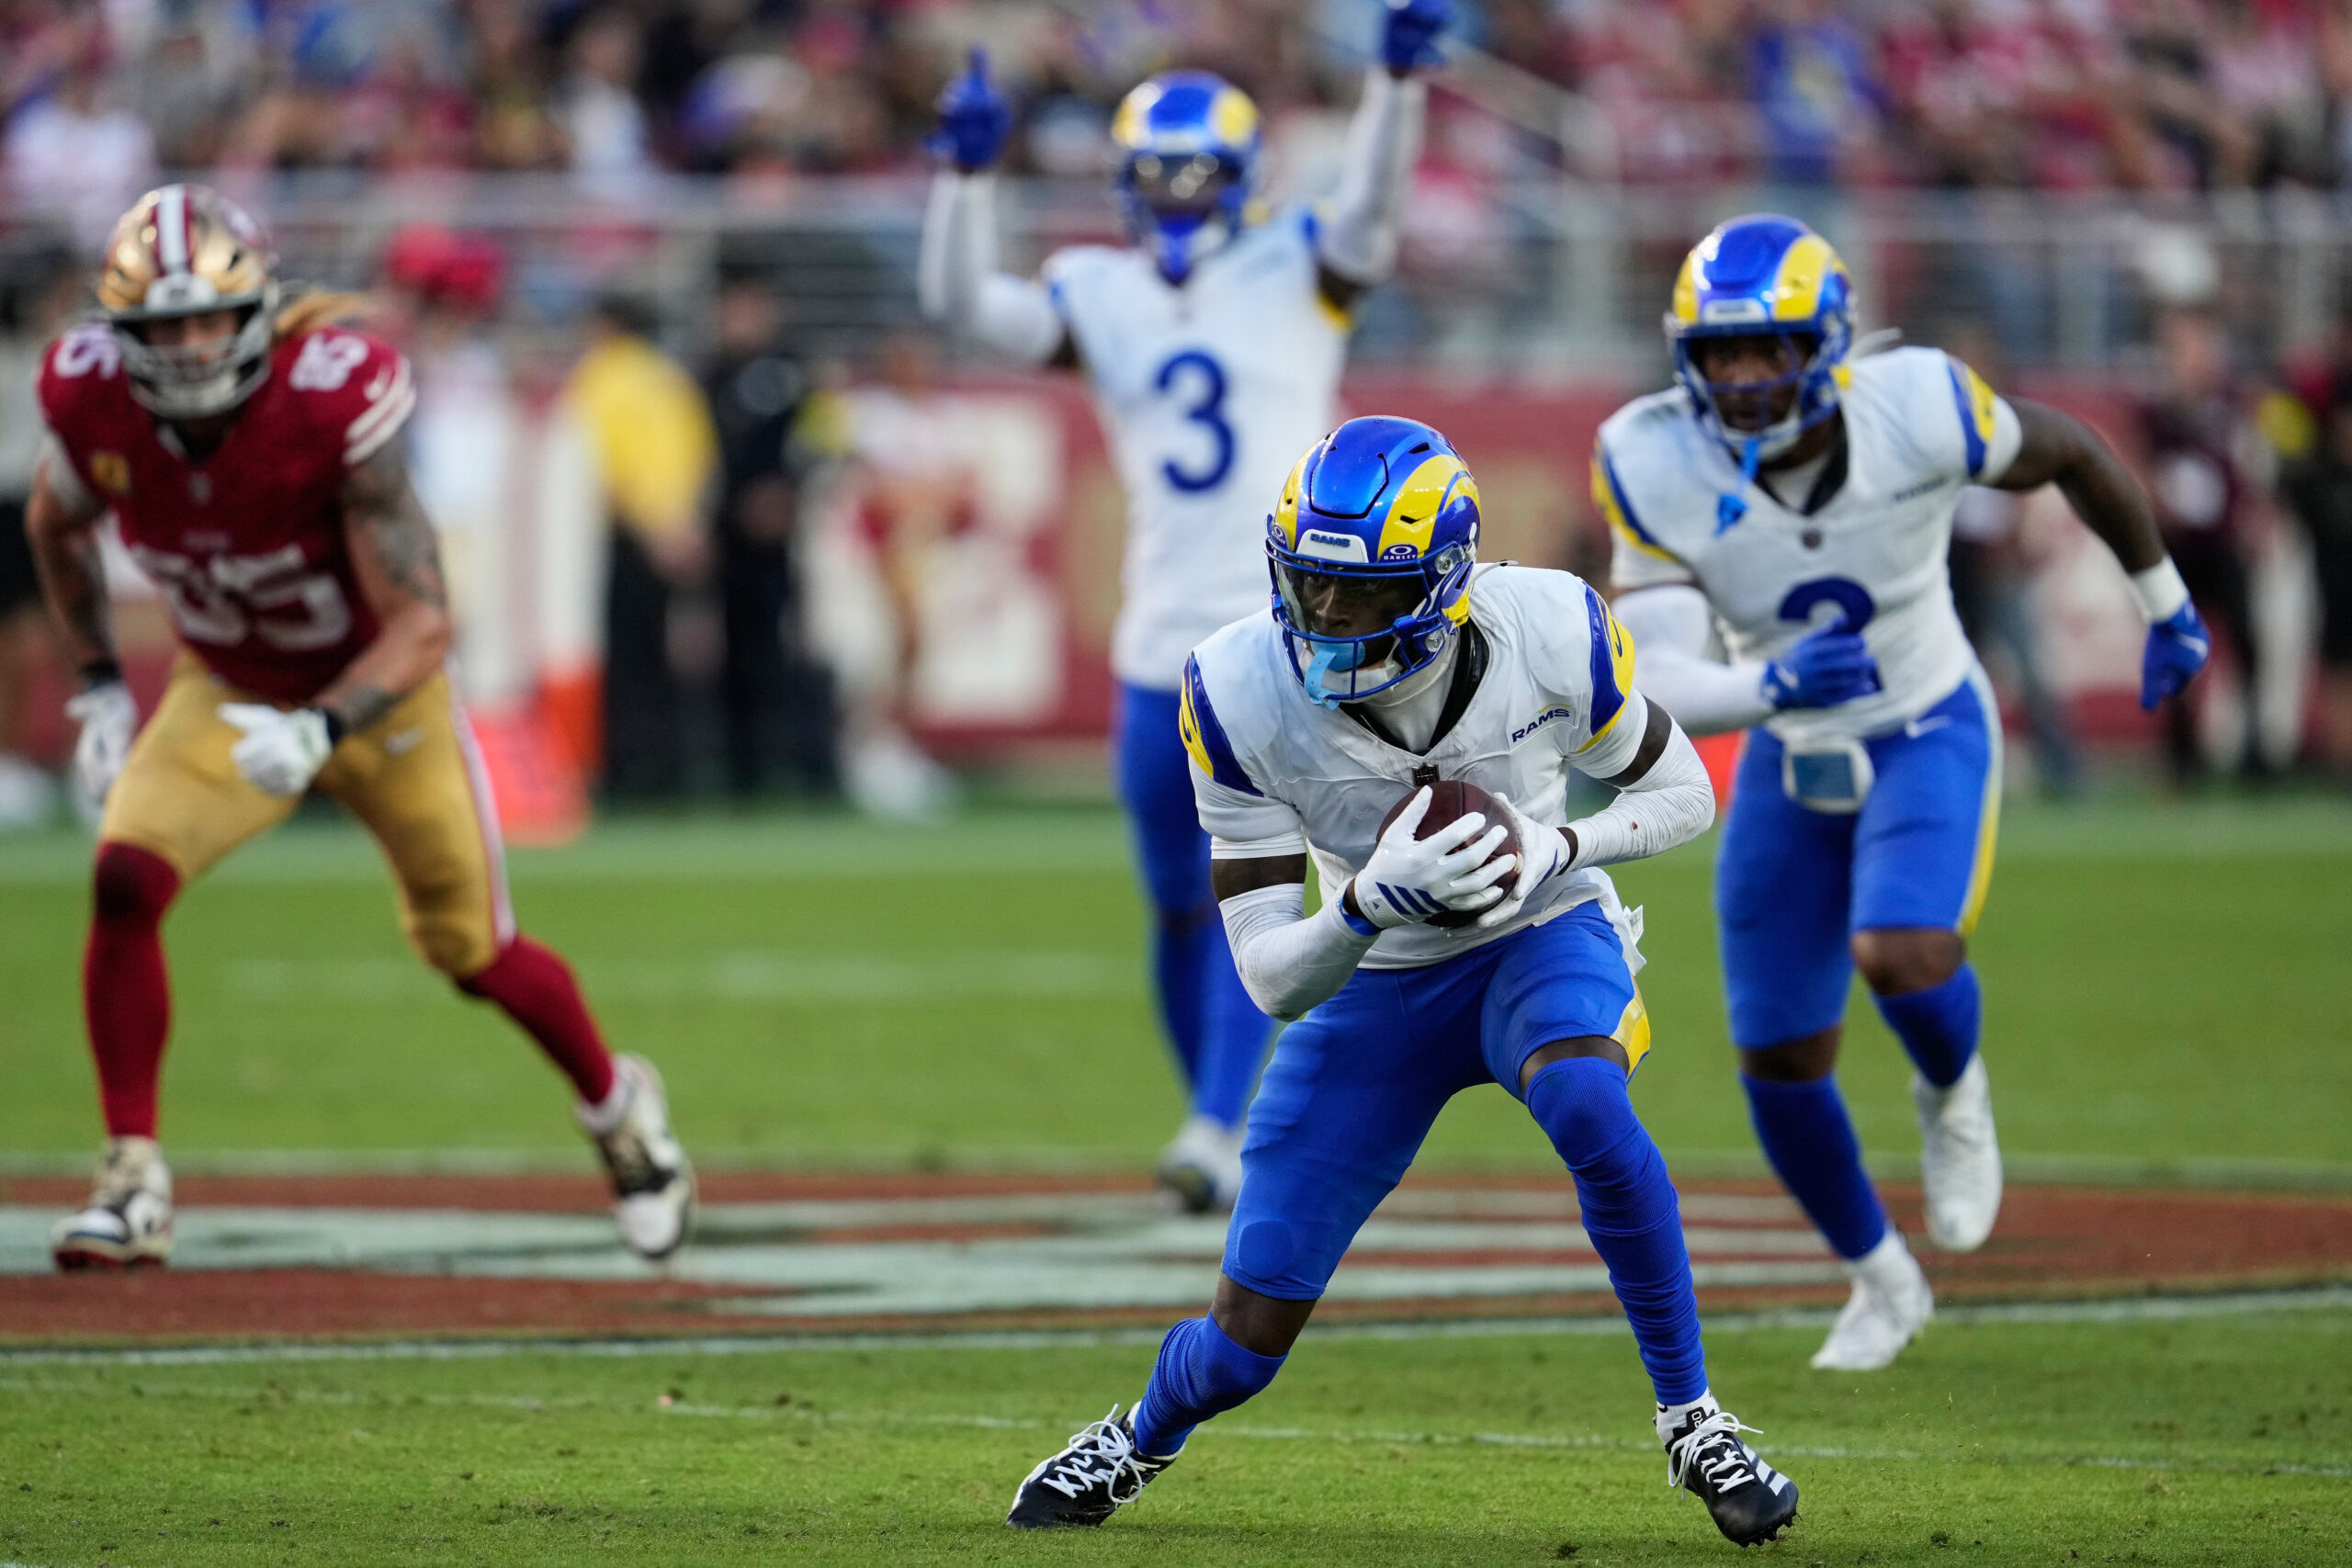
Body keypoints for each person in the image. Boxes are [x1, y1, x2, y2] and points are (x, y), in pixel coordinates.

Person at [1003, 418, 1795, 1547]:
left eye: (1362, 593)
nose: (1327, 616)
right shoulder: (1233, 687)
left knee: (1584, 1097)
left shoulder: (1549, 624)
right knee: (1243, 1342)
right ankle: (1139, 1433)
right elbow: (1270, 978)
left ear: (1445, 585)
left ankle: (1694, 1420)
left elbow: (1681, 793)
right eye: (1310, 584)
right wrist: (1365, 906)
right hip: (1373, 976)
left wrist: (1556, 846)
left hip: (1536, 929)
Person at [26, 185, 693, 1270]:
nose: (189, 350)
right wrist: (99, 682)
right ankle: (132, 1176)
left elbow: (425, 618)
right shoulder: (91, 398)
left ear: (255, 312)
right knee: (125, 879)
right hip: (229, 686)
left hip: (381, 697)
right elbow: (55, 520)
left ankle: (618, 1110)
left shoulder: (328, 397)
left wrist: (324, 726)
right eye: (163, 328)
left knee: (472, 951)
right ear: (121, 334)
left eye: (208, 321)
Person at [1599, 215, 2209, 1371]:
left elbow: (2073, 452)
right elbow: (1659, 670)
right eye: (1720, 354)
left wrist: (2165, 604)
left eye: (1767, 348)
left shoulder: (1918, 403)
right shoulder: (1648, 454)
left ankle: (1951, 1088)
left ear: (1826, 346)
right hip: (1790, 746)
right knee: (1777, 1059)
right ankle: (1881, 1279)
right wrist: (1769, 685)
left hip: (1925, 716)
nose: (1743, 377)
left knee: (1902, 950)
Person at [918, 0, 1449, 1211]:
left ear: (1241, 178)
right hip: (1159, 637)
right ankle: (1220, 1120)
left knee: (1258, 879)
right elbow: (963, 307)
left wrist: (1395, 88)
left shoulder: (1297, 262)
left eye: (1195, 175)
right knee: (1174, 899)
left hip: (1287, 629)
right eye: (1155, 175)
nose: (1173, 197)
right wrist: (962, 180)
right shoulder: (1100, 287)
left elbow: (1371, 212)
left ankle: (1217, 1125)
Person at [565, 294, 718, 800]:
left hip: (629, 539)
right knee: (669, 658)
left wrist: (649, 531)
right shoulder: (671, 379)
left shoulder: (600, 378)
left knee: (626, 659)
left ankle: (630, 770)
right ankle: (675, 769)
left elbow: (603, 466)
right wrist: (686, 529)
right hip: (680, 535)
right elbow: (699, 456)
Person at [700, 272, 837, 800]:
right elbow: (695, 453)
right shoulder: (709, 376)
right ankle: (744, 771)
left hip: (786, 537)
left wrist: (791, 492)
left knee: (795, 647)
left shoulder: (798, 372)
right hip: (728, 538)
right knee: (733, 652)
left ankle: (810, 765)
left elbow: (826, 438)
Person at [2131, 305, 2268, 784]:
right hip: (2178, 548)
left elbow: (2249, 464)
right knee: (2177, 648)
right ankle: (2182, 758)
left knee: (2248, 645)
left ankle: (2254, 750)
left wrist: (2254, 517)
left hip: (2223, 544)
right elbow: (2139, 462)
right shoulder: (2159, 407)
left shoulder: (2230, 403)